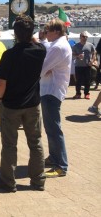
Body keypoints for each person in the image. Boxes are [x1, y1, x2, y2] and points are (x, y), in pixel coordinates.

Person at [0, 15, 47, 193]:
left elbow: (1, 83)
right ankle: (38, 181)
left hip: (11, 105)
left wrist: (0, 99)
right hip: (32, 104)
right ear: (32, 33)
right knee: (35, 142)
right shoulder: (40, 50)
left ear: (15, 34)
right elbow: (36, 42)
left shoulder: (9, 55)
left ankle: (9, 182)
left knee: (9, 145)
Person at [40, 18, 72, 178]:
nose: (46, 34)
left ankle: (61, 165)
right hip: (50, 90)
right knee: (50, 127)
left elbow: (42, 67)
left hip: (51, 91)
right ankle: (54, 158)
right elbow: (46, 49)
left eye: (48, 31)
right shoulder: (58, 44)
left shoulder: (58, 47)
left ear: (56, 32)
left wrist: (45, 70)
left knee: (53, 128)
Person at [72, 31, 95, 99]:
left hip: (87, 66)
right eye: (83, 36)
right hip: (78, 66)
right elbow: (72, 54)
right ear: (80, 37)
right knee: (78, 80)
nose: (85, 38)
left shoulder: (90, 45)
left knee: (87, 80)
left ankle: (86, 93)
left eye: (86, 37)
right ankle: (78, 93)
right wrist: (78, 56)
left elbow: (94, 53)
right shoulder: (76, 46)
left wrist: (92, 60)